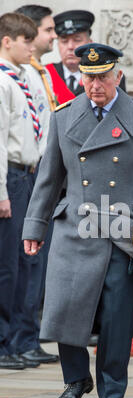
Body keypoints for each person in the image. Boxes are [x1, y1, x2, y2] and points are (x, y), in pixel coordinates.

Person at [22, 43, 133, 398]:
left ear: (117, 77)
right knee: (64, 310)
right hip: (72, 229)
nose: (95, 85)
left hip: (121, 236)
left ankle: (112, 391)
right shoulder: (64, 117)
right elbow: (48, 180)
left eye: (103, 77)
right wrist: (35, 226)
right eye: (89, 77)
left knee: (115, 318)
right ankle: (75, 380)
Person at [12, 4, 59, 364]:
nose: (53, 36)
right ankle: (15, 339)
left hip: (38, 173)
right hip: (18, 174)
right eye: (47, 30)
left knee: (32, 263)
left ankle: (26, 337)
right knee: (17, 261)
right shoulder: (15, 77)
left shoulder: (38, 74)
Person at [0, 12, 42, 369]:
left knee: (24, 264)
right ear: (7, 41)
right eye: (26, 41)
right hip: (9, 178)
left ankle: (16, 340)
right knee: (7, 266)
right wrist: (0, 191)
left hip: (29, 175)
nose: (32, 47)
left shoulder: (25, 76)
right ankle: (2, 342)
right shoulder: (2, 81)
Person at [46, 9, 126, 105]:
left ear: (89, 43)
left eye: (77, 40)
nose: (70, 47)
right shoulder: (46, 74)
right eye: (64, 41)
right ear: (57, 44)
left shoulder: (111, 76)